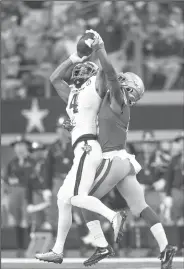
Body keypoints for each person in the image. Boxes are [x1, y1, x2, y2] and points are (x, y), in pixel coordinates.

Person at [79, 30, 176, 268]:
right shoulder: (117, 102)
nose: (119, 79)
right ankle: (165, 248)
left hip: (113, 160)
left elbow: (110, 75)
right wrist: (98, 58)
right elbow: (105, 75)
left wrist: (100, 48)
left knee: (82, 199)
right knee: (140, 207)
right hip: (124, 162)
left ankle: (103, 245)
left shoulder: (117, 98)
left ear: (127, 86)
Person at [35, 33, 126, 263]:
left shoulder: (96, 86)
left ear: (93, 73)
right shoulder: (72, 93)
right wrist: (74, 57)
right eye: (78, 68)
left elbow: (108, 72)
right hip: (80, 149)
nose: (79, 71)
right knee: (62, 198)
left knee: (76, 197)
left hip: (88, 146)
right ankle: (58, 250)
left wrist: (100, 50)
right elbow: (54, 78)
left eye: (85, 68)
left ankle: (113, 216)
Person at [4, 135, 36, 257]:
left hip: (27, 192)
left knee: (27, 219)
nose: (19, 149)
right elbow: (6, 178)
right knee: (16, 219)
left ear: (27, 147)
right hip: (14, 193)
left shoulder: (32, 162)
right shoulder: (12, 163)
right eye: (17, 146)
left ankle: (29, 247)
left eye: (22, 145)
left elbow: (35, 177)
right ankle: (19, 247)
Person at [43, 116, 73, 231]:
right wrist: (46, 187)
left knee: (79, 209)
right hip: (58, 180)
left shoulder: (77, 144)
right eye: (59, 128)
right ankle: (57, 240)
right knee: (56, 208)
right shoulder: (53, 147)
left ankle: (83, 243)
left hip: (74, 180)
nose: (61, 131)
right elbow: (47, 168)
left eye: (64, 128)